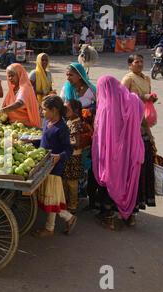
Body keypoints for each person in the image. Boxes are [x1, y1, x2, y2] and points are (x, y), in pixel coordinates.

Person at [92, 75, 145, 230]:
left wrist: (100, 154)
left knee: (112, 181)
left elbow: (101, 137)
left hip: (114, 154)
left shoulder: (107, 108)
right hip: (132, 149)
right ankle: (130, 217)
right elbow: (141, 112)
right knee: (129, 180)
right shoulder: (133, 101)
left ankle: (108, 218)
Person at [33, 95, 77, 237]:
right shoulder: (47, 123)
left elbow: (68, 150)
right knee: (51, 198)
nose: (42, 112)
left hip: (54, 167)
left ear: (54, 110)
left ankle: (68, 217)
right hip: (45, 165)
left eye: (44, 109)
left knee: (51, 198)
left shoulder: (62, 128)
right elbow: (44, 141)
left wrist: (59, 157)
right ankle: (50, 227)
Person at [121, 54, 157, 221]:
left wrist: (150, 100)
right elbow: (121, 102)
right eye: (136, 62)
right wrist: (141, 99)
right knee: (130, 171)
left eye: (142, 61)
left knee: (142, 171)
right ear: (130, 65)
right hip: (131, 128)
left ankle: (133, 209)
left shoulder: (146, 79)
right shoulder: (128, 80)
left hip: (144, 125)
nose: (140, 64)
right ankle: (125, 208)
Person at [60, 62, 97, 208]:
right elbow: (63, 106)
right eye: (67, 74)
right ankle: (74, 196)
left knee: (86, 161)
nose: (68, 77)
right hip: (72, 126)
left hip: (88, 130)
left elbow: (100, 108)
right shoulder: (67, 88)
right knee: (73, 160)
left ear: (80, 75)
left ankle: (82, 193)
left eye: (71, 75)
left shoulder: (91, 90)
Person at [62, 99, 92, 215]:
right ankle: (67, 202)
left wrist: (64, 143)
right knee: (66, 181)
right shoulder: (70, 121)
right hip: (69, 156)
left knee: (72, 183)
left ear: (75, 111)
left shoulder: (75, 124)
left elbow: (77, 143)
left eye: (67, 109)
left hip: (73, 158)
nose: (64, 111)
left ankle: (72, 206)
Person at [2, 63, 41, 128]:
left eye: (12, 76)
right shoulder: (13, 89)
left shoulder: (25, 88)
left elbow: (19, 103)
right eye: (9, 76)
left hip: (25, 126)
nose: (10, 78)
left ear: (19, 74)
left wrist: (2, 110)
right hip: (13, 125)